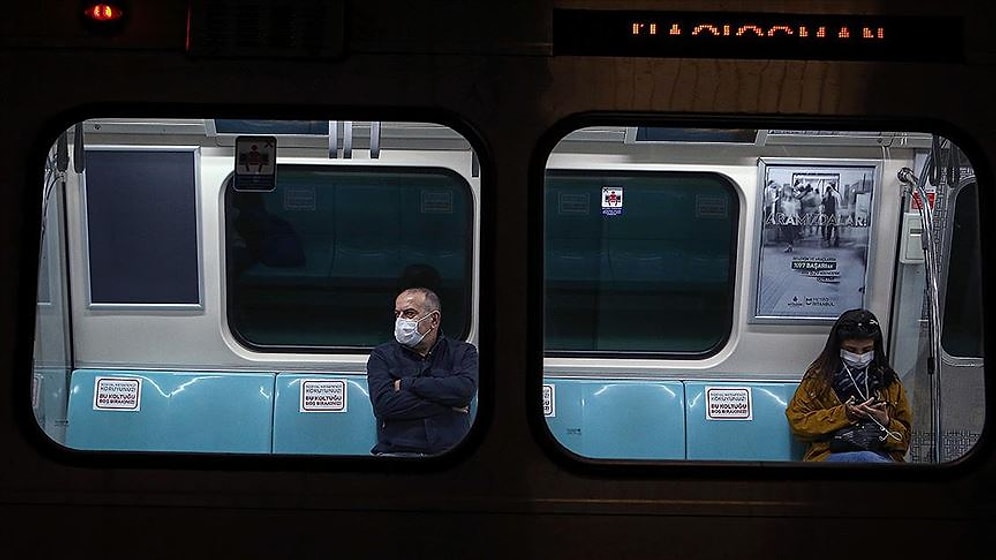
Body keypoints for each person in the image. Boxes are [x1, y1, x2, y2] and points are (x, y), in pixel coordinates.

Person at [785, 308, 912, 463]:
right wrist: (845, 415)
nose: (859, 356)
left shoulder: (890, 382)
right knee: (867, 460)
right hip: (830, 453)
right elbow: (798, 423)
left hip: (881, 453)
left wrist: (886, 422)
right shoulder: (818, 380)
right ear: (839, 347)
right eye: (851, 350)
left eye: (867, 350)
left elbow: (904, 440)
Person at [366, 287, 478, 456]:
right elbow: (384, 405)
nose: (401, 321)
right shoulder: (382, 355)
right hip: (399, 451)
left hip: (453, 453)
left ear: (434, 319)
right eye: (398, 314)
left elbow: (464, 391)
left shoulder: (463, 352)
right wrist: (448, 405)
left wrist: (407, 384)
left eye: (409, 314)